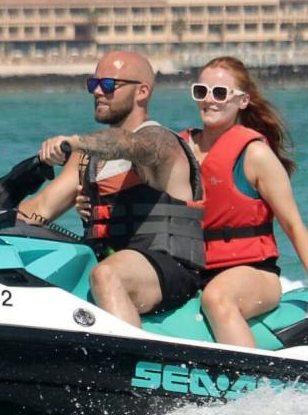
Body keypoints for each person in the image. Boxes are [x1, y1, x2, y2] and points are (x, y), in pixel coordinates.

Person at [25, 50, 203, 326]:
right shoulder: (87, 158)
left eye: (108, 85)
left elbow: (129, 144)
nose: (98, 92)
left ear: (142, 92)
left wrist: (74, 141)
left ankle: (126, 362)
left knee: (107, 275)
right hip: (109, 261)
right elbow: (39, 209)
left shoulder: (160, 143)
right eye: (93, 84)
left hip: (167, 269)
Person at [180, 55, 308, 348]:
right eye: (201, 92)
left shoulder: (254, 155)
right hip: (191, 269)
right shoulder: (178, 150)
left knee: (218, 297)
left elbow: (292, 224)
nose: (209, 101)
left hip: (254, 272)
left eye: (219, 93)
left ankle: (249, 380)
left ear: (242, 101)